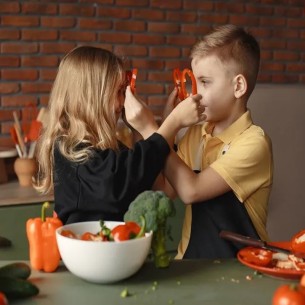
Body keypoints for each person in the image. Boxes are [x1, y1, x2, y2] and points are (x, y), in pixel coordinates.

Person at [126, 24, 273, 259]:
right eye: (193, 82)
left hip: (240, 270)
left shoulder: (254, 143)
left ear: (238, 86)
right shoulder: (197, 134)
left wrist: (154, 129)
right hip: (190, 263)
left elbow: (190, 190)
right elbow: (163, 190)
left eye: (204, 82)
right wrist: (168, 130)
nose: (195, 93)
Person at [34, 46, 204, 225]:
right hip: (86, 251)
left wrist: (148, 130)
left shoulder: (110, 149)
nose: (123, 102)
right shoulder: (70, 149)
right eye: (119, 91)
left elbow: (161, 190)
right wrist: (172, 123)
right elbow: (118, 183)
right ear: (92, 97)